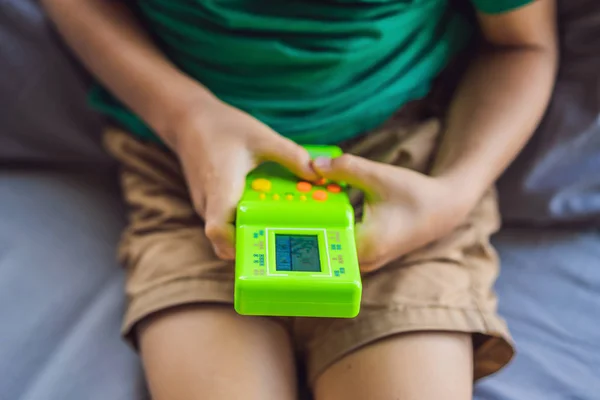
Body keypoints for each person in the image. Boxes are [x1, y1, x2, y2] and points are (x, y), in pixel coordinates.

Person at [41, 0, 558, 399]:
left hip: (402, 162)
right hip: (186, 161)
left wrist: (454, 191)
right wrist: (185, 116)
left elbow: (521, 45)